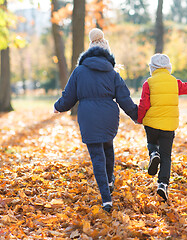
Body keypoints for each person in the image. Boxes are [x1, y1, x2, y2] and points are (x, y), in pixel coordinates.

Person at [54, 28, 138, 212]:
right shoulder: (113, 73)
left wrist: (58, 106)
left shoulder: (79, 71)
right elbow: (124, 98)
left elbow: (69, 97)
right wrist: (136, 115)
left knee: (97, 157)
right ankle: (109, 181)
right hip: (109, 117)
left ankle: (106, 200)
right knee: (108, 147)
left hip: (88, 117)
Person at [137, 53, 187, 202]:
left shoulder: (148, 83)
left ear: (152, 68)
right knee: (166, 156)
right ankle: (163, 184)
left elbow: (144, 104)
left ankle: (153, 154)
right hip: (169, 126)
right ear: (168, 68)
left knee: (152, 144)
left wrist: (139, 119)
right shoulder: (174, 82)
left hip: (151, 124)